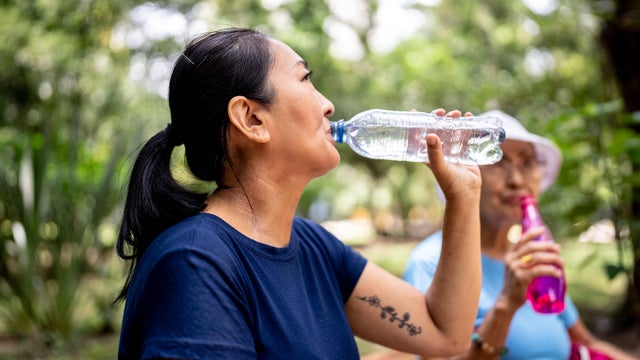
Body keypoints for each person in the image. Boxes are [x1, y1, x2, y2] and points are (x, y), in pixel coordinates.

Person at [114, 28, 485, 360]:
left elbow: (444, 334)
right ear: (252, 119)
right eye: (305, 79)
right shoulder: (195, 262)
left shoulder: (313, 247)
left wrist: (463, 196)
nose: (328, 105)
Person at [371, 110, 638, 360]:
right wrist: (507, 304)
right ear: (467, 173)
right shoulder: (431, 260)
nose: (517, 181)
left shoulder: (531, 255)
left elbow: (587, 342)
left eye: (527, 162)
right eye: (498, 161)